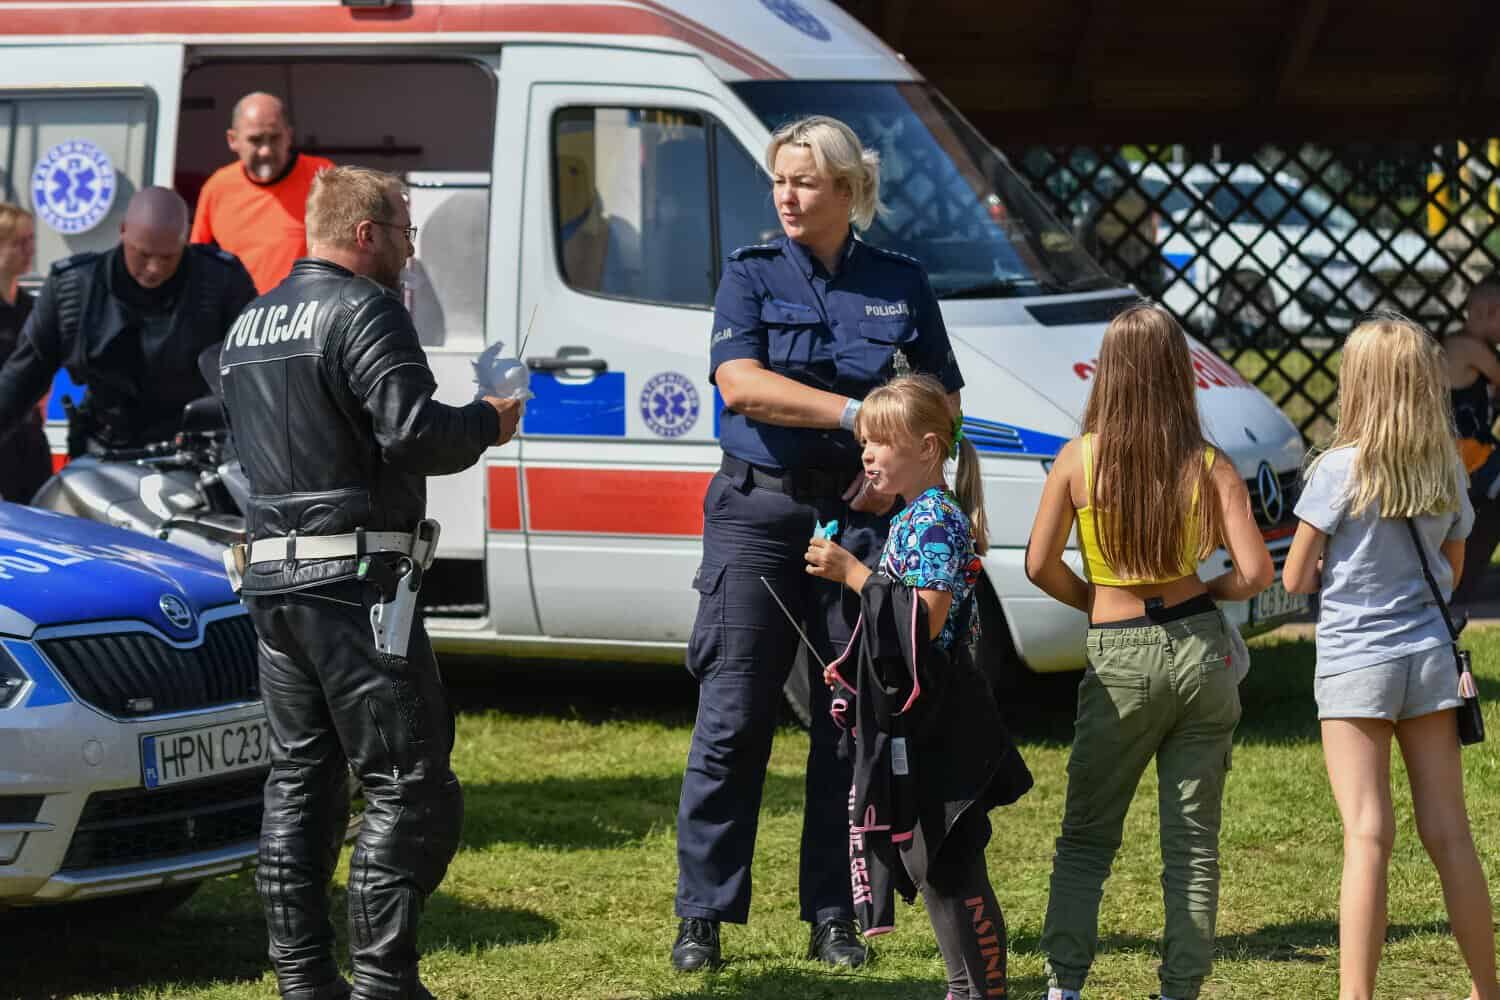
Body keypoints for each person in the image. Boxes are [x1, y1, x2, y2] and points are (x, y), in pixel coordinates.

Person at [218, 165, 522, 1000]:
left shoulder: (249, 324)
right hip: (356, 588)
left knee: (301, 781)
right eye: (404, 234)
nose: (410, 252)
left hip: (273, 584)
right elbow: (415, 434)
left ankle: (303, 983)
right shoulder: (367, 310)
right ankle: (385, 983)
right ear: (365, 234)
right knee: (409, 784)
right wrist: (489, 419)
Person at [671, 115, 965, 972]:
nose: (787, 196)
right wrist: (856, 414)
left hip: (858, 523)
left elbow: (942, 399)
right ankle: (703, 916)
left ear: (847, 189)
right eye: (779, 180)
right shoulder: (749, 273)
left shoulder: (900, 281)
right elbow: (741, 385)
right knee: (732, 720)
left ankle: (835, 914)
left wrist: (894, 472)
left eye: (803, 181)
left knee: (847, 725)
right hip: (757, 516)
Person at [1025, 303, 1272, 1000]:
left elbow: (1039, 564)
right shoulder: (1209, 463)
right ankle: (1180, 988)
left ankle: (1065, 984)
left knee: (1086, 837)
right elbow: (1257, 573)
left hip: (1119, 655)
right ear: (1177, 373)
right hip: (1200, 648)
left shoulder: (1078, 459)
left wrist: (1097, 603)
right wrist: (1211, 589)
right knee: (1192, 845)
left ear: (1107, 372)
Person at [1282, 314, 1498, 1000]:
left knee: (1368, 834)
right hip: (1429, 657)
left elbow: (1296, 576)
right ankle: (1486, 987)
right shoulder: (1445, 465)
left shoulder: (1336, 470)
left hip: (1355, 661)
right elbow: (1453, 571)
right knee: (1451, 834)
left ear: (1357, 385)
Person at [804, 374, 1032, 1000]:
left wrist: (854, 573)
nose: (867, 455)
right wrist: (852, 665)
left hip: (946, 717)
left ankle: (981, 991)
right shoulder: (911, 516)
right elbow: (893, 628)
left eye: (881, 442)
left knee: (951, 862)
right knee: (928, 863)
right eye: (864, 443)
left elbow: (923, 621)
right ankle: (963, 987)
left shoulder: (935, 520)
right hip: (921, 711)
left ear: (928, 448)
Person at [0, 187, 256, 456]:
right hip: (103, 448)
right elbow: (22, 378)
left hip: (195, 452)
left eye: (167, 257)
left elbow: (257, 372)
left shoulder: (222, 283)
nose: (154, 268)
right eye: (143, 254)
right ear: (123, 231)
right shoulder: (74, 289)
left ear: (185, 240)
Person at [191, 91, 335, 294]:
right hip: (241, 310)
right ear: (233, 140)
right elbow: (197, 263)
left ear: (289, 136)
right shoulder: (217, 188)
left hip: (306, 308)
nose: (266, 151)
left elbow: (350, 250)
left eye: (274, 138)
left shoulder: (323, 178)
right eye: (255, 140)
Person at [1442, 275, 1500, 603]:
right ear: (1492, 311)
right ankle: (1460, 580)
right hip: (1463, 458)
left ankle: (1462, 577)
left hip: (1470, 455)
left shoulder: (1459, 344)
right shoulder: (1467, 348)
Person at [0, 203, 51, 503]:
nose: (30, 250)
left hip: (30, 442)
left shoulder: (33, 308)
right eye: (19, 242)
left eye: (31, 240)